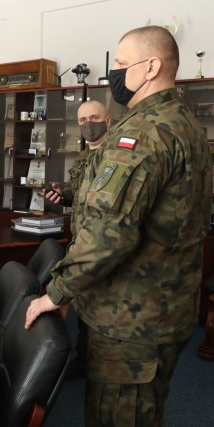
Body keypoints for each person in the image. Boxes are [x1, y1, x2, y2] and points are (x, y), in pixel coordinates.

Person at [25, 25, 212, 426]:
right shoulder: (183, 123)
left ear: (151, 67)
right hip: (163, 310)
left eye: (123, 64)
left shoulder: (145, 133)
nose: (115, 74)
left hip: (131, 322)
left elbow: (110, 233)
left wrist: (55, 293)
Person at [43, 100, 111, 378]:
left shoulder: (116, 155)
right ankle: (84, 362)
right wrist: (63, 195)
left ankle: (97, 367)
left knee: (97, 310)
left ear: (108, 120)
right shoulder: (85, 156)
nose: (87, 125)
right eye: (82, 120)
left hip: (101, 243)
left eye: (94, 118)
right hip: (80, 239)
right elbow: (78, 191)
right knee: (84, 306)